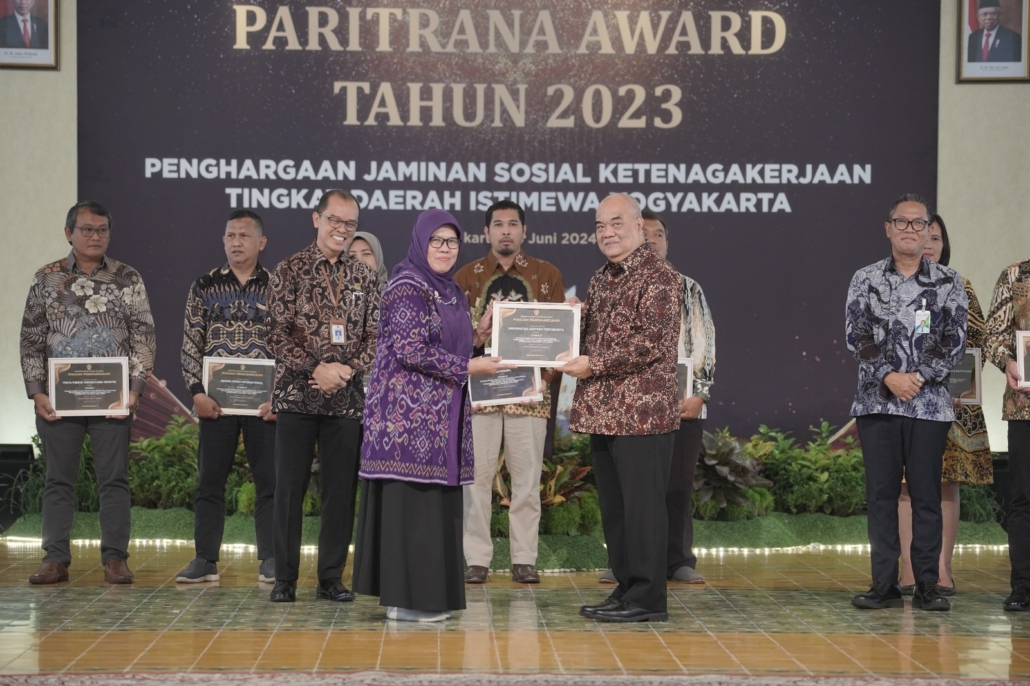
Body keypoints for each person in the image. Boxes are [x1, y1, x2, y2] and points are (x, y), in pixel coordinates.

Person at [353, 209, 512, 622]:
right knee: (413, 509)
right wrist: (470, 366)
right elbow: (411, 350)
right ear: (421, 242)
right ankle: (407, 601)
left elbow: (447, 346)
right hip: (406, 422)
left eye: (452, 241)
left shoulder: (449, 290)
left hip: (440, 418)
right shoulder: (407, 285)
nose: (445, 248)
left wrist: (479, 335)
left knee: (435, 509)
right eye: (436, 240)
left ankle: (428, 597)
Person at [20, 200, 156, 585]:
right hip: (58, 400)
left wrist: (135, 389)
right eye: (87, 229)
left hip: (113, 399)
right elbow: (31, 338)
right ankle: (55, 559)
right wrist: (37, 392)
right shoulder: (46, 278)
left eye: (102, 230)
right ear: (69, 233)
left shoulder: (127, 278)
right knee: (58, 480)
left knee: (114, 480)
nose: (95, 236)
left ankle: (115, 559)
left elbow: (144, 336)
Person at [563, 193, 683, 623]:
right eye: (600, 226)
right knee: (617, 511)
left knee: (643, 510)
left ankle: (648, 598)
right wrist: (574, 321)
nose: (607, 233)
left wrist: (594, 363)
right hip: (604, 412)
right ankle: (628, 585)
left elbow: (650, 342)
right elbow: (597, 338)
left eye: (616, 223)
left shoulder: (661, 276)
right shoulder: (601, 278)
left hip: (642, 416)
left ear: (638, 227)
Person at [846, 194, 968, 612]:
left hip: (928, 405)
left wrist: (916, 378)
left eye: (919, 223)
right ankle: (883, 584)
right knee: (881, 496)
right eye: (902, 222)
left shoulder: (948, 281)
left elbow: (955, 339)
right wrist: (889, 376)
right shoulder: (865, 278)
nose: (911, 229)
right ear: (889, 228)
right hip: (877, 403)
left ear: (929, 230)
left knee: (926, 495)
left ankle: (927, 585)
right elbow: (856, 334)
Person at [265, 190, 380, 603]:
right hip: (297, 395)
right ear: (317, 219)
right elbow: (275, 333)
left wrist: (345, 371)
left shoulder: (365, 276)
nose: (341, 229)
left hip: (345, 399)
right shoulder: (289, 269)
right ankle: (284, 578)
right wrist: (316, 368)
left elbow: (375, 336)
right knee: (289, 490)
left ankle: (331, 578)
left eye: (349, 223)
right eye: (334, 220)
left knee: (339, 493)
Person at [597, 209, 716, 586]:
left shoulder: (685, 287)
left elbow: (703, 341)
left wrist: (700, 393)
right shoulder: (612, 282)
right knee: (628, 491)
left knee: (676, 486)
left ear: (667, 242)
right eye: (644, 233)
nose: (650, 240)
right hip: (628, 407)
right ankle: (626, 563)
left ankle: (676, 560)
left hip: (680, 402)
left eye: (657, 235)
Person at [455, 200, 566, 585]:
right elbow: (455, 338)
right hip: (481, 393)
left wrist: (546, 378)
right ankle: (477, 559)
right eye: (498, 224)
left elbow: (559, 335)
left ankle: (523, 559)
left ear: (524, 231)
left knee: (527, 480)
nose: (506, 231)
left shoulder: (546, 274)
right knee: (476, 480)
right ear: (486, 232)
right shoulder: (466, 277)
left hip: (529, 395)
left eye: (513, 224)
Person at [176, 210, 278, 584]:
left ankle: (271, 559)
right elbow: (191, 343)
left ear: (261, 242)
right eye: (231, 235)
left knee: (270, 483)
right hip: (215, 404)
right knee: (209, 483)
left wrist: (281, 397)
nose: (236, 242)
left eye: (244, 236)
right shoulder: (204, 286)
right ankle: (205, 560)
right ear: (223, 241)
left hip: (264, 405)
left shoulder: (278, 286)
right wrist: (196, 392)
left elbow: (290, 344)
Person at [897, 215, 992, 597]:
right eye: (922, 235)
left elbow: (977, 340)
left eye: (935, 238)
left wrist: (958, 386)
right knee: (906, 484)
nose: (928, 243)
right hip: (905, 400)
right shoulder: (894, 286)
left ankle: (940, 569)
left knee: (945, 482)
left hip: (952, 402)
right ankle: (908, 570)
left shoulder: (960, 286)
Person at [983, 252, 1030, 611]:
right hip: (1024, 406)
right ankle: (1023, 586)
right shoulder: (1015, 275)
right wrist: (1009, 362)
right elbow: (993, 337)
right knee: (1024, 498)